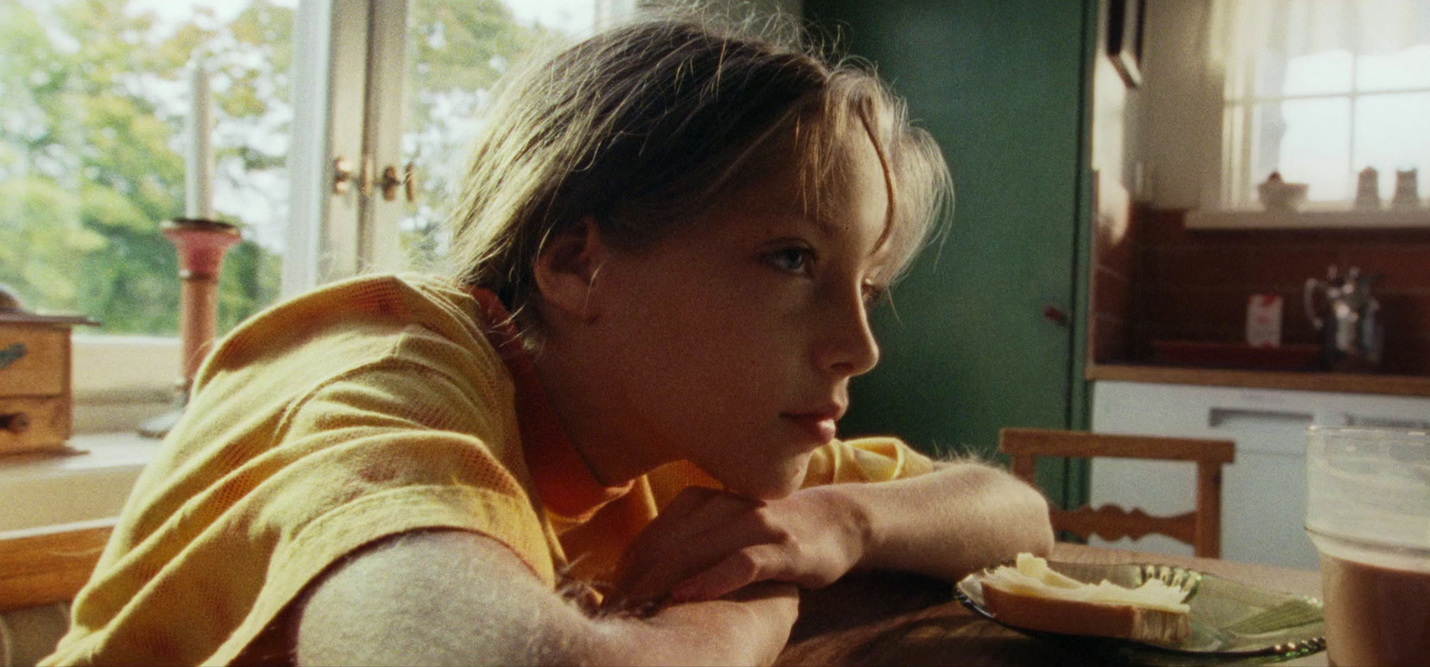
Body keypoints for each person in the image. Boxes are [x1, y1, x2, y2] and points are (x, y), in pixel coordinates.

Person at [44, 14, 1053, 666]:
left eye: (867, 285)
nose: (858, 346)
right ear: (575, 263)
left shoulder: (693, 433)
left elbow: (1014, 516)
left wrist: (840, 523)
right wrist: (750, 614)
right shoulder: (382, 356)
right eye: (791, 260)